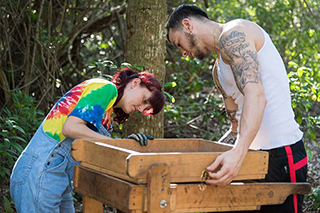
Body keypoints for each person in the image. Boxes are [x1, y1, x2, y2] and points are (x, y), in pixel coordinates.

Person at [166, 4, 307, 213]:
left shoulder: (235, 32)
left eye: (179, 44)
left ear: (187, 25)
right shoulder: (218, 71)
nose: (183, 53)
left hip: (281, 154)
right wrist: (204, 158)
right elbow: (235, 128)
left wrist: (237, 155)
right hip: (249, 160)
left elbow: (256, 95)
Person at [10, 68, 165, 213]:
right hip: (42, 172)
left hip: (57, 177)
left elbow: (92, 144)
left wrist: (125, 144)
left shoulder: (106, 113)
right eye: (144, 99)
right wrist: (115, 144)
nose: (141, 108)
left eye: (146, 109)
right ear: (135, 83)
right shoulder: (106, 89)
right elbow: (70, 128)